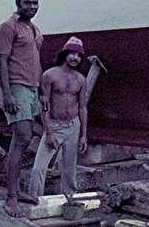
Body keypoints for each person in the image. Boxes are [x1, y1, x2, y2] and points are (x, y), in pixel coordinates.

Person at [0, 0, 43, 217]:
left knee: (24, 138)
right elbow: (1, 61)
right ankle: (11, 197)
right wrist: (6, 94)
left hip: (32, 88)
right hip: (17, 87)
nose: (32, 7)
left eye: (35, 3)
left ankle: (16, 190)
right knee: (21, 137)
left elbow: (36, 60)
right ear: (17, 2)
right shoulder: (7, 27)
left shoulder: (33, 29)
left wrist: (41, 91)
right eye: (27, 3)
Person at [29, 36, 88, 197]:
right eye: (72, 54)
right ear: (65, 54)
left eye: (79, 55)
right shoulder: (50, 75)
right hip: (54, 125)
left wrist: (83, 135)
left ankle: (69, 199)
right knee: (38, 168)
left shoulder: (81, 79)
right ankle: (33, 200)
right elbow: (44, 104)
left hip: (73, 126)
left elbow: (83, 108)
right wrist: (48, 132)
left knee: (69, 169)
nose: (75, 58)